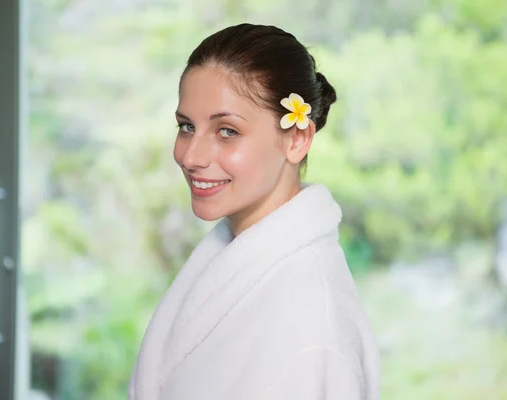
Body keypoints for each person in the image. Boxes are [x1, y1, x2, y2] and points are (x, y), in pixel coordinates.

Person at [129, 23, 380, 400]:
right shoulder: (231, 265)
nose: (190, 156)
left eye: (226, 131)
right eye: (186, 127)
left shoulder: (313, 333)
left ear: (296, 138)